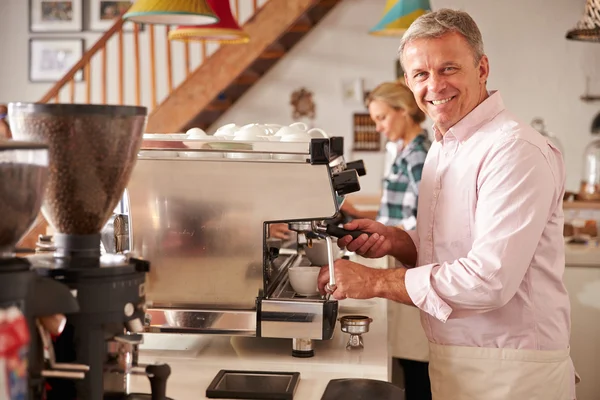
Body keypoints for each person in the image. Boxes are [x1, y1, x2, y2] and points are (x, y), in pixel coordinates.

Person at [317, 8, 576, 400]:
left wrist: (373, 282)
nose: (434, 85)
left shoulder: (514, 150)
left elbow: (488, 280)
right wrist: (397, 242)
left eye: (449, 68)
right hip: (457, 360)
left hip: (513, 371)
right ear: (408, 81)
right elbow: (455, 246)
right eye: (421, 74)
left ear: (482, 67)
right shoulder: (446, 145)